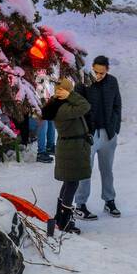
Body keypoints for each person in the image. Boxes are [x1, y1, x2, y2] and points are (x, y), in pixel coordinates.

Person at [73, 56, 123, 219]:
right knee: (85, 170)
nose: (98, 75)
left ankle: (109, 200)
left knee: (107, 169)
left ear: (107, 70)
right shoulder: (84, 82)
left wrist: (115, 127)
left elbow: (117, 105)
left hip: (108, 133)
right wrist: (82, 131)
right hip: (89, 134)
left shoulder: (112, 82)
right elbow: (75, 107)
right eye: (96, 72)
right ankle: (80, 204)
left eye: (102, 72)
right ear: (92, 68)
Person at [45, 77, 93, 236]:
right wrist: (70, 96)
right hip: (72, 150)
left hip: (71, 148)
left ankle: (60, 217)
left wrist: (68, 96)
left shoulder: (59, 105)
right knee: (72, 184)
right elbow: (85, 106)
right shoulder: (63, 108)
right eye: (68, 90)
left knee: (68, 183)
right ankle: (65, 221)